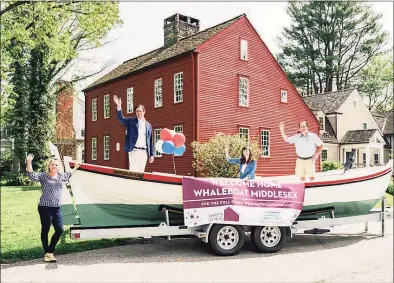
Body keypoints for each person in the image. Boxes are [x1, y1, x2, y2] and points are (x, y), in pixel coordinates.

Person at [26, 154, 80, 262]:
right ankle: (48, 253)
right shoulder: (44, 176)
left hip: (57, 208)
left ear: (58, 167)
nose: (54, 166)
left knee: (60, 229)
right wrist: (29, 161)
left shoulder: (60, 176)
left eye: (56, 165)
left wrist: (75, 168)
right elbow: (31, 175)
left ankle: (49, 251)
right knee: (45, 229)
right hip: (45, 207)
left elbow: (68, 174)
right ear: (49, 166)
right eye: (52, 164)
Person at [113, 95, 154, 172]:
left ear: (144, 112)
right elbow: (121, 119)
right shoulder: (131, 121)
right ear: (135, 112)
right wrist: (119, 106)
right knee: (133, 172)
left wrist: (151, 154)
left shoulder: (148, 125)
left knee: (141, 173)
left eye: (140, 111)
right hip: (134, 150)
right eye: (137, 111)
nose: (139, 113)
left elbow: (150, 141)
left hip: (144, 152)